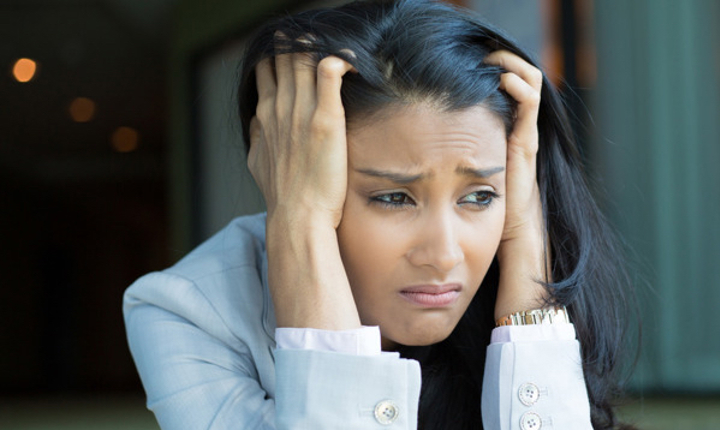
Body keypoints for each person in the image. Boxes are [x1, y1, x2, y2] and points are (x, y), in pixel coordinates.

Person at [124, 0, 635, 429]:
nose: (443, 254)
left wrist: (524, 238)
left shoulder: (523, 264)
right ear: (294, 171)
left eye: (478, 196)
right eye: (394, 198)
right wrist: (299, 223)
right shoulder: (187, 312)